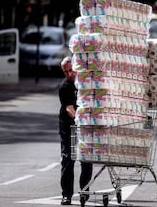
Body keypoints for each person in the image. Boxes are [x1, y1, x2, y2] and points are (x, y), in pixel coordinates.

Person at [58, 56, 93, 205]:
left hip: (85, 127)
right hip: (69, 127)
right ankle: (67, 195)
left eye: (71, 70)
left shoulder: (85, 84)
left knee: (86, 160)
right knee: (68, 159)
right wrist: (79, 119)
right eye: (66, 72)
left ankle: (84, 190)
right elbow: (70, 109)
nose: (69, 74)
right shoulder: (64, 87)